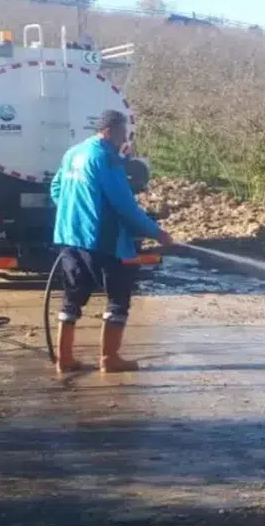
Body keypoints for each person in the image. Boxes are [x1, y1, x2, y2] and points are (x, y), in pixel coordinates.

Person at [50, 110, 173, 375]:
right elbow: (124, 205)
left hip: (69, 237)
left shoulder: (74, 153)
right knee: (118, 298)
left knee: (72, 297)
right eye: (123, 131)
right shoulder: (105, 158)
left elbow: (56, 189)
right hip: (102, 239)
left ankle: (65, 359)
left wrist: (75, 213)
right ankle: (110, 358)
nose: (125, 136)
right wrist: (156, 232)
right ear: (110, 130)